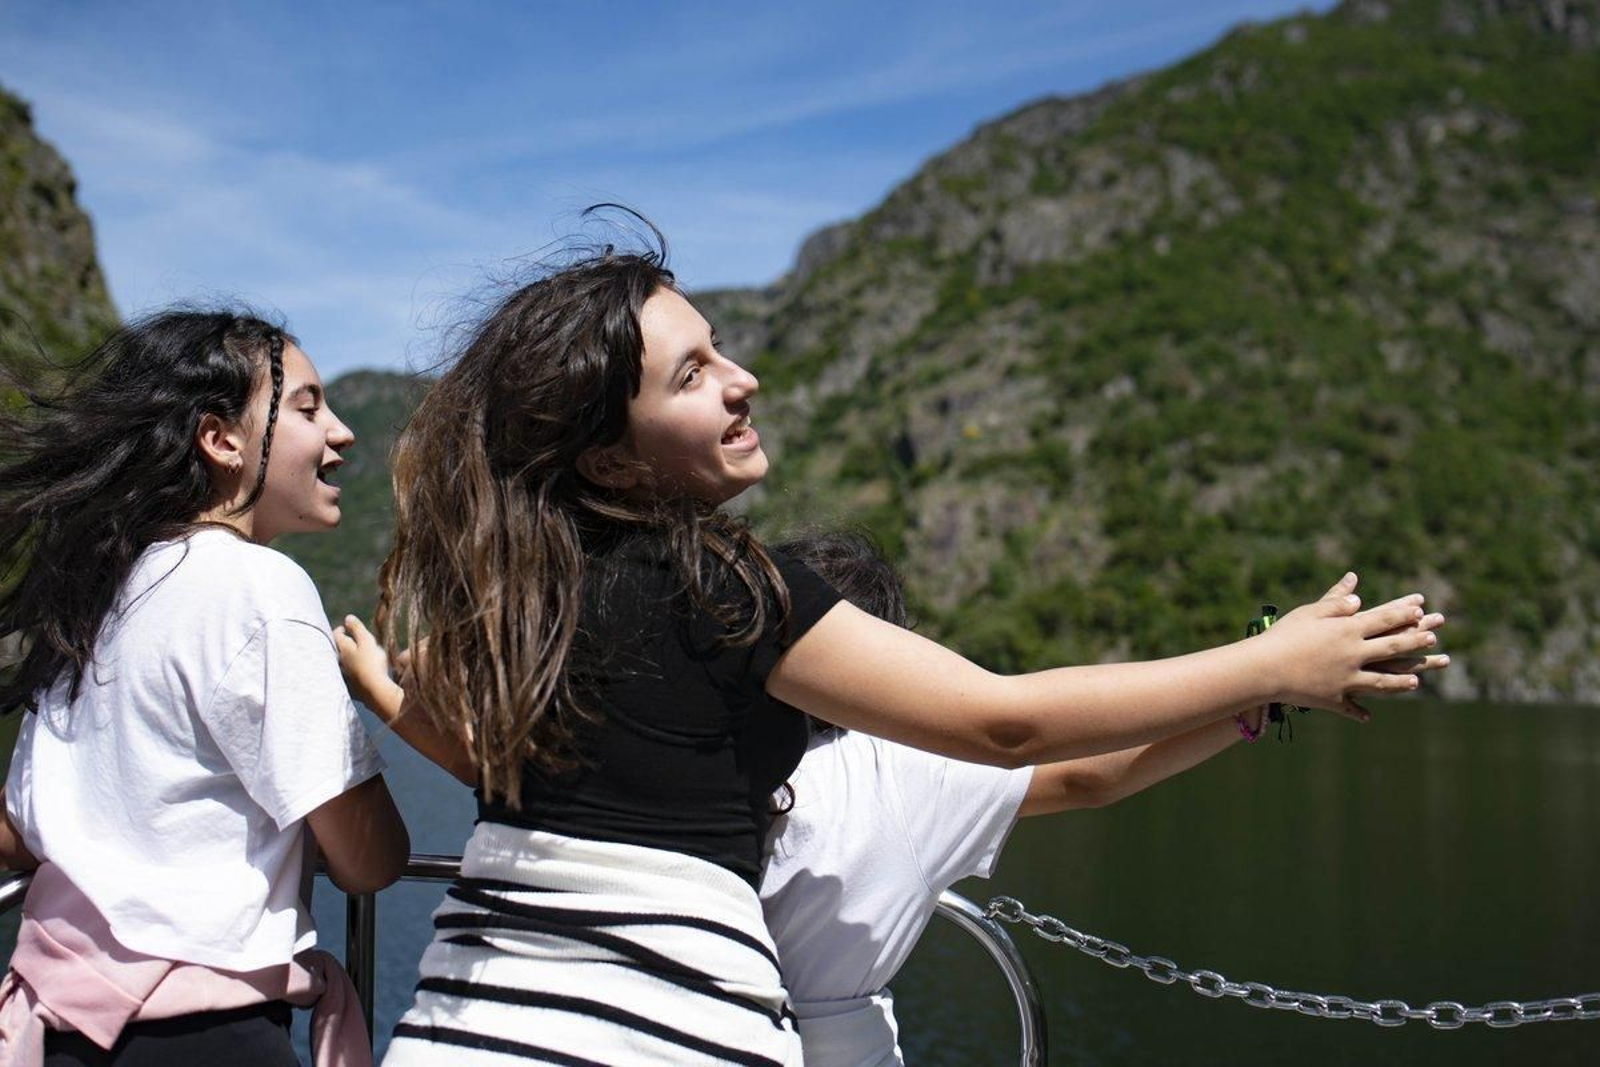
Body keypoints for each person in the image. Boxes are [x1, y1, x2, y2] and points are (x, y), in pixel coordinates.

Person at [347, 212, 1443, 1067]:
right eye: (691, 375)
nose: (741, 380)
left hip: (455, 1028)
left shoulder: (521, 600)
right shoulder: (721, 584)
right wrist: (1271, 662)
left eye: (718, 351)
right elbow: (1002, 722)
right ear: (608, 459)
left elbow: (491, 764)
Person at [758, 530, 1443, 1066]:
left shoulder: (706, 745)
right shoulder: (893, 771)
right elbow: (1087, 773)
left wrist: (1272, 675)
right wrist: (1271, 675)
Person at [0, 310, 410, 1066]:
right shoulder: (262, 586)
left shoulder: (94, 592)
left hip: (58, 1030)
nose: (343, 431)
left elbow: (19, 830)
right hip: (203, 1036)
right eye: (308, 408)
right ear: (221, 440)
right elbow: (370, 860)